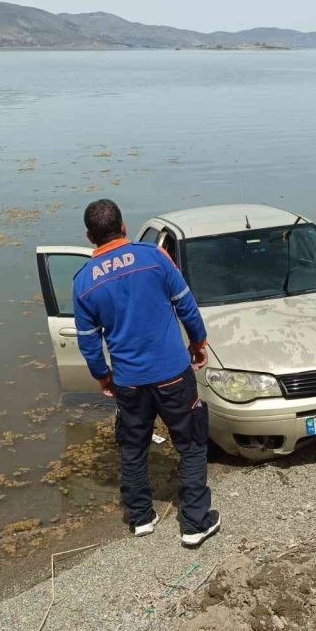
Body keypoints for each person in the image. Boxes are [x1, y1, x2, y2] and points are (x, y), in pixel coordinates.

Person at [72, 199, 220, 548]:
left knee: (133, 447)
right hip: (172, 374)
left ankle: (141, 518)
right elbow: (186, 303)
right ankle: (195, 522)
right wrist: (198, 342)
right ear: (123, 227)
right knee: (192, 444)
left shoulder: (82, 282)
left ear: (90, 236)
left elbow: (89, 343)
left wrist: (103, 377)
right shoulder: (153, 257)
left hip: (129, 382)